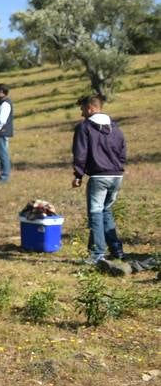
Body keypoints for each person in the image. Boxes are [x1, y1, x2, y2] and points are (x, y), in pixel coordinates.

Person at [72, 96, 128, 269]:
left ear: (90, 108)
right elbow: (123, 151)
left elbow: (80, 153)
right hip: (117, 176)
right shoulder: (116, 127)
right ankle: (117, 250)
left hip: (98, 177)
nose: (81, 113)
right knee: (106, 210)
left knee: (95, 213)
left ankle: (97, 253)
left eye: (82, 109)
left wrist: (78, 175)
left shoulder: (85, 127)